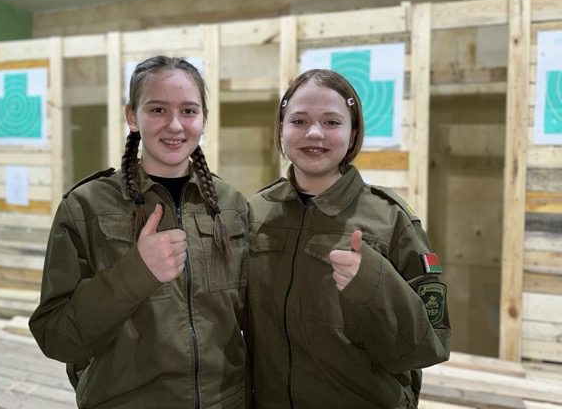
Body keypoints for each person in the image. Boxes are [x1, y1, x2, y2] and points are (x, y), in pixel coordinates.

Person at [29, 56, 250, 409]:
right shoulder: (85, 207)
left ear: (204, 119)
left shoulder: (232, 205)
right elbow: (56, 337)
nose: (175, 125)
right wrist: (136, 272)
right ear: (132, 116)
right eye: (158, 110)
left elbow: (254, 320)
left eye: (189, 111)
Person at [246, 69, 450, 408]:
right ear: (281, 129)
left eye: (331, 122)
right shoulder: (255, 212)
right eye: (299, 121)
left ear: (353, 133)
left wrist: (375, 283)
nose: (314, 133)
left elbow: (431, 345)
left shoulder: (391, 220)